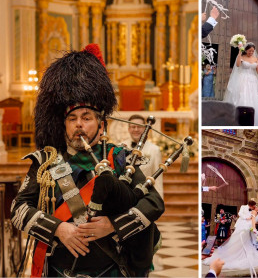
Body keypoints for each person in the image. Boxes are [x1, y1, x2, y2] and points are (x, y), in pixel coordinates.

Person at [10, 44, 164, 277]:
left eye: (86, 117)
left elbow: (153, 203)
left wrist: (113, 225)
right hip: (58, 271)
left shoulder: (120, 158)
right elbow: (18, 210)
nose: (78, 124)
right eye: (72, 118)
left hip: (111, 269)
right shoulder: (46, 162)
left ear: (101, 125)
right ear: (64, 124)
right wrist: (59, 229)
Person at [204, 200, 258, 274]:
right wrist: (246, 218)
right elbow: (240, 214)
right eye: (254, 206)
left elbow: (252, 220)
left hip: (245, 227)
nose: (255, 207)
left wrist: (251, 224)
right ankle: (231, 251)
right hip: (241, 225)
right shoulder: (243, 207)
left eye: (256, 207)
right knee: (235, 240)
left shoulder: (252, 212)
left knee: (244, 241)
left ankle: (243, 255)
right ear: (251, 205)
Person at [121, 114, 163, 198]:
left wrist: (159, 201)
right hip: (124, 195)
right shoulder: (120, 147)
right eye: (133, 127)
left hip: (145, 196)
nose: (136, 129)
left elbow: (158, 180)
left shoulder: (154, 150)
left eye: (139, 126)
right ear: (129, 129)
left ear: (144, 128)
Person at [223, 42, 258, 126]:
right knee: (242, 96)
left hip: (253, 81)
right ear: (246, 50)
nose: (251, 52)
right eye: (249, 51)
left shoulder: (255, 59)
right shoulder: (242, 57)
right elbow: (238, 65)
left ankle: (252, 118)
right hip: (242, 79)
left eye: (252, 51)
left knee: (253, 98)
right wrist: (239, 51)